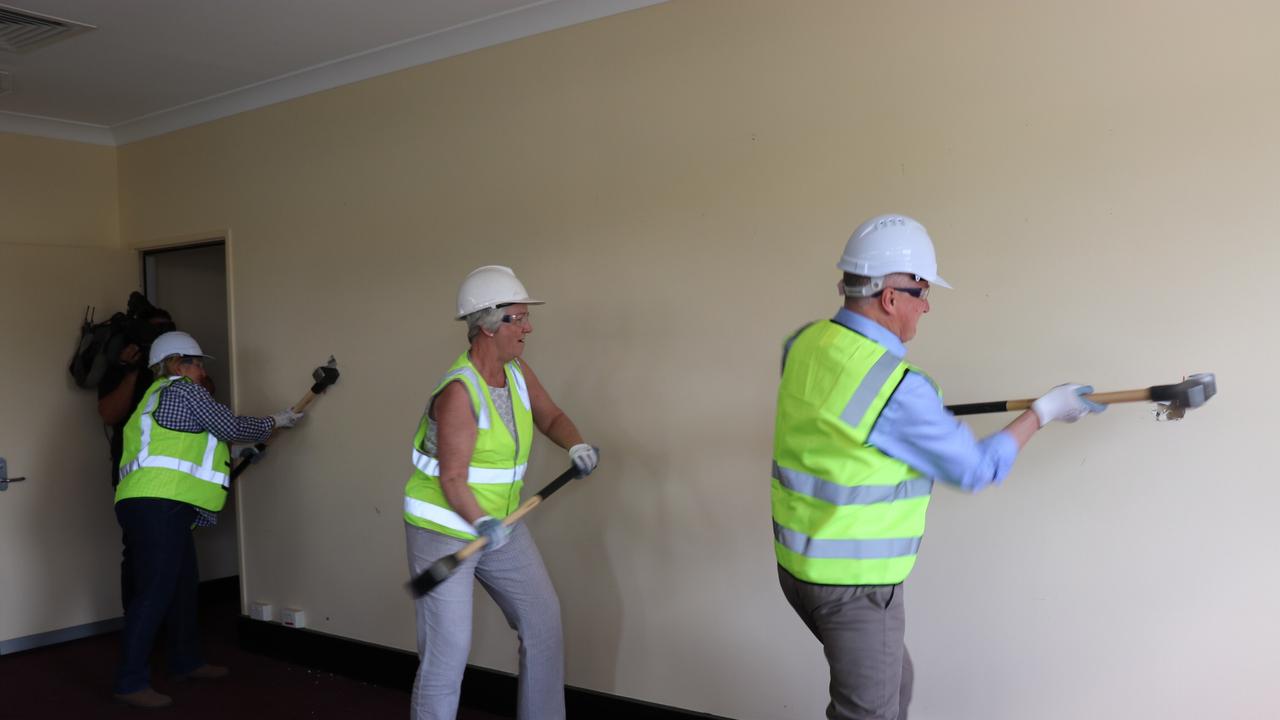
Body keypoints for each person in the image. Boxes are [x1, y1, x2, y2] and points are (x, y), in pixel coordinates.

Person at [772, 214, 1105, 720]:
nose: (926, 305)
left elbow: (839, 422)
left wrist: (912, 423)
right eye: (922, 292)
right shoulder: (898, 387)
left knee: (896, 683)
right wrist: (1044, 412)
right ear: (890, 298)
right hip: (854, 584)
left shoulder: (805, 344)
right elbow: (976, 469)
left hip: (799, 570)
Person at [403, 265, 599, 720]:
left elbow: (550, 416)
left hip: (501, 526)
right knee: (447, 652)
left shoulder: (515, 373)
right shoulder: (458, 392)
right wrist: (483, 525)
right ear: (489, 325)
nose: (529, 327)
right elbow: (452, 479)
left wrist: (577, 445)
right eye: (520, 317)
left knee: (543, 623)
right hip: (445, 529)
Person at [112, 331, 304, 709]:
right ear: (176, 364)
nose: (201, 370)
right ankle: (129, 682)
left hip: (152, 504)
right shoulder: (183, 390)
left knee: (182, 587)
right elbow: (229, 427)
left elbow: (201, 443)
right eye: (197, 362)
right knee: (153, 593)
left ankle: (186, 661)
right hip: (159, 504)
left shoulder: (152, 398)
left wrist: (244, 452)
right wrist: (275, 420)